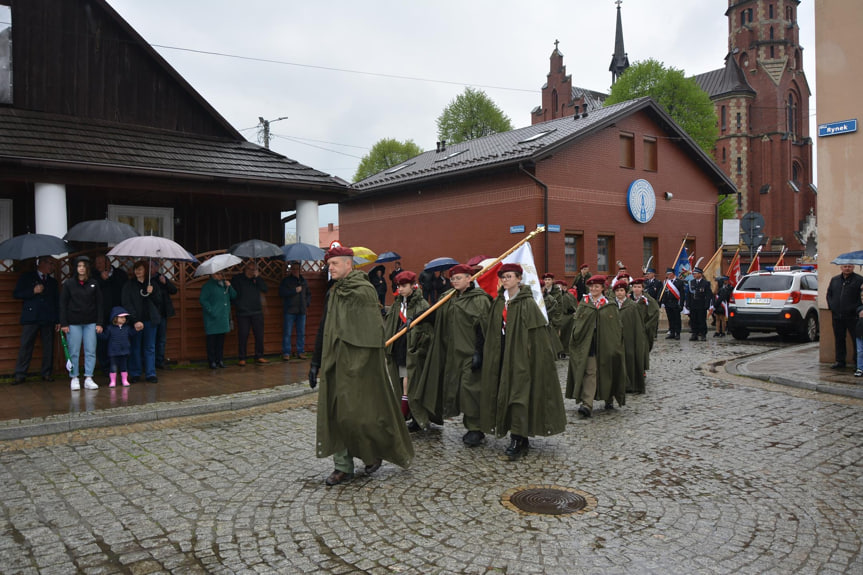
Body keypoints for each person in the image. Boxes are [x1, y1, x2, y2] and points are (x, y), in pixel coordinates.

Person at [308, 243, 414, 486]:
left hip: (359, 365)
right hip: (335, 361)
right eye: (329, 264)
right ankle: (343, 466)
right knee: (336, 414)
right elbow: (325, 326)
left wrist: (362, 363)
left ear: (348, 263)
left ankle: (371, 453)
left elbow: (373, 331)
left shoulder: (363, 291)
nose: (330, 268)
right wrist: (315, 362)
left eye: (334, 264)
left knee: (358, 415)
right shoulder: (333, 291)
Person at [480, 263, 567, 461]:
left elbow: (538, 336)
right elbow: (491, 328)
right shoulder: (499, 302)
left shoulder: (527, 303)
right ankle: (516, 433)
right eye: (503, 277)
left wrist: (531, 356)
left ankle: (518, 438)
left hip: (521, 358)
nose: (505, 280)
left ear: (519, 279)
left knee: (519, 396)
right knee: (504, 393)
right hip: (501, 354)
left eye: (509, 276)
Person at [413, 263, 491, 443]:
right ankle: (466, 423)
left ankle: (475, 428)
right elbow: (436, 314)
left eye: (459, 278)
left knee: (470, 390)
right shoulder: (448, 297)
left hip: (469, 352)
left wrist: (479, 351)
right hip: (451, 353)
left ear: (469, 279)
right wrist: (416, 318)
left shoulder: (480, 300)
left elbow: (484, 327)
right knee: (456, 389)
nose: (455, 281)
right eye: (453, 278)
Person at [567, 275, 626, 418]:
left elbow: (616, 327)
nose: (593, 289)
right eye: (591, 286)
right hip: (589, 344)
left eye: (597, 287)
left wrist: (616, 344)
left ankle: (609, 397)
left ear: (602, 288)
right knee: (590, 372)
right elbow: (577, 324)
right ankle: (587, 404)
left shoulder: (609, 305)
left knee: (607, 371)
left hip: (607, 344)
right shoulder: (584, 304)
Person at [384, 270, 432, 430]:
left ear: (413, 286)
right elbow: (391, 324)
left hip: (412, 350)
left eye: (404, 286)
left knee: (410, 383)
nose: (401, 289)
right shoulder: (398, 304)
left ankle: (411, 415)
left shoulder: (421, 305)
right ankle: (407, 413)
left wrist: (418, 346)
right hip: (397, 348)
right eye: (399, 286)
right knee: (400, 382)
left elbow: (427, 330)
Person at [59, 255, 104, 390]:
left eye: (84, 266)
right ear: (76, 268)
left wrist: (99, 323)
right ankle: (74, 377)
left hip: (90, 322)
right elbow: (63, 304)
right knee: (74, 351)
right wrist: (64, 323)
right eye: (79, 266)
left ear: (88, 268)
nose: (81, 269)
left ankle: (89, 377)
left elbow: (100, 304)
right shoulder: (69, 284)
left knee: (90, 350)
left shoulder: (94, 283)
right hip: (73, 323)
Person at [13, 257, 59, 385]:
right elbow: (17, 294)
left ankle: (46, 373)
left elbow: (56, 301)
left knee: (48, 347)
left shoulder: (52, 282)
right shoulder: (27, 277)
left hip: (48, 318)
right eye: (50, 264)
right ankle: (20, 374)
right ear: (42, 264)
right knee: (26, 345)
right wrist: (33, 291)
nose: (52, 267)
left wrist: (58, 320)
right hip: (31, 317)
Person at [121, 260, 161, 383]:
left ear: (146, 271)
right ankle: (135, 373)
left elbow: (159, 301)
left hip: (150, 320)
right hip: (136, 322)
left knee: (150, 348)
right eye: (136, 269)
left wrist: (152, 292)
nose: (138, 271)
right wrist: (135, 320)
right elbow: (126, 303)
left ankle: (150, 373)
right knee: (135, 347)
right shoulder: (129, 285)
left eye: (140, 269)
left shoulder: (152, 284)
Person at [93, 254, 127, 374]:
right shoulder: (94, 276)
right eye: (96, 263)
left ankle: (119, 367)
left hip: (117, 314)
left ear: (108, 262)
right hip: (101, 314)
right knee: (101, 342)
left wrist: (110, 278)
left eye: (100, 263)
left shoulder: (120, 274)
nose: (98, 266)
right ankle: (106, 368)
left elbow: (123, 288)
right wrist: (102, 279)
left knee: (118, 340)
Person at [233, 260, 269, 366]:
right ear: (246, 269)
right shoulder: (238, 279)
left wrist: (257, 277)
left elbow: (265, 289)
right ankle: (242, 357)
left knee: (259, 335)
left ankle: (259, 356)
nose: (253, 271)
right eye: (252, 269)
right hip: (243, 312)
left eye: (256, 269)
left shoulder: (257, 280)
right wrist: (239, 305)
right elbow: (234, 294)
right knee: (243, 335)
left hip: (257, 311)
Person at [826, 264, 863, 369]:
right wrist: (832, 307)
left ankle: (857, 363)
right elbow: (829, 294)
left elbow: (860, 298)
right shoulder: (835, 280)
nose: (847, 268)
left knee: (856, 340)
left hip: (853, 316)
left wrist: (856, 309)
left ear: (853, 268)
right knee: (839, 339)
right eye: (845, 266)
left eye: (850, 266)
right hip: (837, 316)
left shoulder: (859, 280)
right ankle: (840, 361)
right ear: (841, 267)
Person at [614, 281, 648, 395]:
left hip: (629, 337)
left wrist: (638, 340)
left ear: (626, 292)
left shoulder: (632, 306)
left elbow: (638, 325)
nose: (619, 293)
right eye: (617, 291)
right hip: (615, 338)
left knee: (629, 360)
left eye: (622, 290)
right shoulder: (611, 305)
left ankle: (630, 384)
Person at [200, 270, 237, 369]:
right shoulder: (207, 286)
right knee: (211, 341)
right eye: (218, 274)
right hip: (212, 318)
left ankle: (219, 360)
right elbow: (203, 300)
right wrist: (211, 311)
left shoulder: (225, 285)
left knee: (221, 341)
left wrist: (230, 286)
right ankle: (212, 361)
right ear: (213, 275)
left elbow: (234, 296)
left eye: (221, 273)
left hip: (223, 317)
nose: (221, 275)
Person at [279, 260, 311, 360]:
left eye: (297, 269)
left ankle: (300, 351)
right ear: (290, 269)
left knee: (301, 332)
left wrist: (307, 304)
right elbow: (282, 293)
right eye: (293, 269)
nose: (295, 270)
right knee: (287, 333)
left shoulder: (303, 281)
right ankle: (286, 352)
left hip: (301, 310)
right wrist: (294, 291)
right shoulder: (286, 281)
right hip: (290, 310)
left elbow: (308, 294)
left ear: (300, 269)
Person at [149, 260, 177, 369]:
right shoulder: (146, 280)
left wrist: (165, 283)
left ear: (156, 268)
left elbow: (174, 290)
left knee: (161, 339)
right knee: (151, 340)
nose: (150, 269)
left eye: (152, 267)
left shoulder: (161, 278)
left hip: (162, 313)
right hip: (150, 314)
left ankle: (159, 361)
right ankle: (150, 362)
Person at [630, 278, 660, 365]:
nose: (636, 289)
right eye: (634, 287)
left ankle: (641, 368)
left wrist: (646, 327)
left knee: (642, 350)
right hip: (630, 330)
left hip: (643, 330)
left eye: (639, 287)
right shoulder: (627, 299)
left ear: (642, 288)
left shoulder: (648, 300)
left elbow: (654, 314)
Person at [104, 306, 133, 387]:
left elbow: (132, 334)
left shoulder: (127, 328)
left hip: (124, 351)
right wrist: (98, 333)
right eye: (121, 317)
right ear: (115, 318)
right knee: (113, 367)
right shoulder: (110, 328)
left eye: (124, 317)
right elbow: (105, 337)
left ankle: (124, 380)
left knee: (124, 366)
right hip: (113, 351)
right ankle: (113, 381)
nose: (124, 319)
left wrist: (137, 330)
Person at [687, 267, 713, 341]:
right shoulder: (691, 282)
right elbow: (688, 294)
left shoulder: (706, 283)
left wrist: (707, 305)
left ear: (700, 274)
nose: (694, 275)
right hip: (693, 304)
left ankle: (703, 334)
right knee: (693, 320)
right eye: (693, 274)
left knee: (701, 320)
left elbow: (708, 295)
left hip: (701, 304)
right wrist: (688, 304)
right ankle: (694, 334)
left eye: (695, 273)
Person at [660, 268, 685, 340]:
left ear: (672, 274)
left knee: (677, 318)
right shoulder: (666, 282)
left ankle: (677, 333)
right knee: (670, 318)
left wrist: (681, 304)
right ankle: (672, 332)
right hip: (668, 303)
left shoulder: (679, 282)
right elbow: (663, 292)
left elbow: (682, 294)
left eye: (668, 274)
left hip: (676, 303)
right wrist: (663, 302)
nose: (667, 275)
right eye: (666, 274)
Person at [855, 289, 863, 377]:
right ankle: (860, 368)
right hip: (859, 332)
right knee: (860, 351)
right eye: (861, 297)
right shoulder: (859, 308)